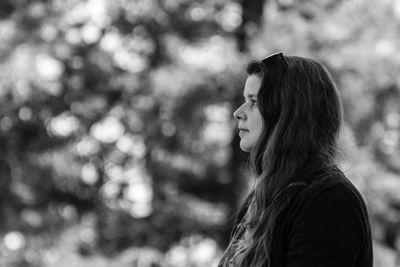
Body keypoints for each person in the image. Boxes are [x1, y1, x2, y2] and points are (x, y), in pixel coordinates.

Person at [218, 52, 373, 266]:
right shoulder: (265, 197)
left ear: (288, 113)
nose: (238, 112)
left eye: (253, 102)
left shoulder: (329, 201)